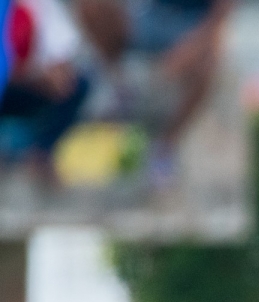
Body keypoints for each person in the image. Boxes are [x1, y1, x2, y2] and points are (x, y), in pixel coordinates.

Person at [76, 0, 233, 185]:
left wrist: (189, 50)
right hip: (151, 15)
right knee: (90, 5)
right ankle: (118, 87)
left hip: (192, 25)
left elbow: (220, 18)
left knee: (209, 62)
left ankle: (165, 147)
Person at [0, 0, 90, 183]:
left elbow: (62, 52)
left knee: (76, 85)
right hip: (21, 81)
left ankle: (42, 153)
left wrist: (55, 75)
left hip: (24, 88)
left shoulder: (40, 6)